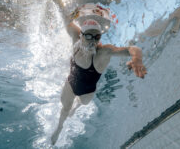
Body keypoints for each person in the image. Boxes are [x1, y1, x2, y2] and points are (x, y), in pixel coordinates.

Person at [51, 14, 147, 145]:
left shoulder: (104, 52)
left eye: (97, 37)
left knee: (82, 103)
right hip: (70, 84)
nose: (93, 41)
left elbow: (132, 49)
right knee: (65, 108)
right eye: (89, 36)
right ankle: (59, 128)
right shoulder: (75, 37)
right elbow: (63, 12)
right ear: (81, 35)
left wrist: (137, 58)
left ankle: (76, 106)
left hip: (88, 91)